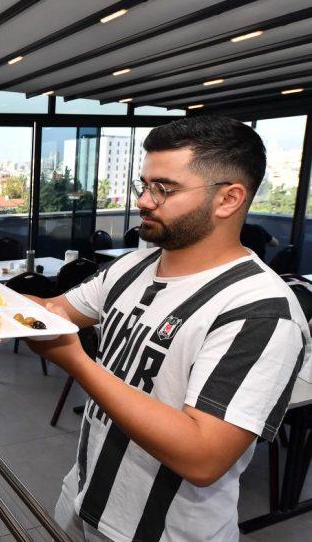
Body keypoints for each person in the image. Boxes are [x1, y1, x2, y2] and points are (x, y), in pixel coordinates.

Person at [24, 116, 311, 541]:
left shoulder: (260, 311)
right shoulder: (131, 266)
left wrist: (78, 364)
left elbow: (203, 457)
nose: (143, 201)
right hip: (82, 496)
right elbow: (55, 311)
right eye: (144, 185)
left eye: (164, 188)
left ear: (229, 199)